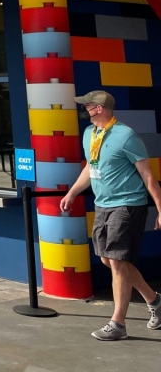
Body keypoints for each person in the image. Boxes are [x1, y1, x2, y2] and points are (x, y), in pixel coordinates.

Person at [61, 90, 161, 340]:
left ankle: (118, 324)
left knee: (116, 262)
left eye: (86, 105)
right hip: (103, 205)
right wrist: (72, 192)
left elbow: (148, 176)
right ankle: (154, 300)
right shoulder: (89, 134)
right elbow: (91, 168)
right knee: (110, 260)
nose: (83, 109)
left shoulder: (125, 136)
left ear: (99, 108)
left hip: (127, 205)